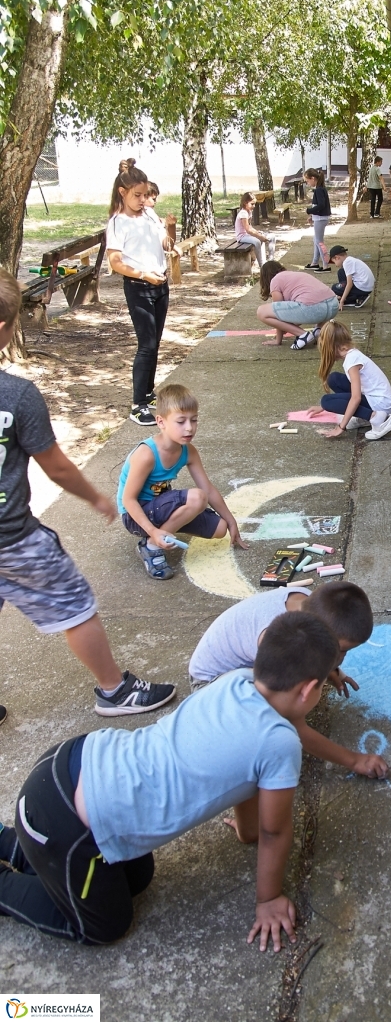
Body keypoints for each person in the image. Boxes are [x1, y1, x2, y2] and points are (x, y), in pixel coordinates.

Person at [0, 613, 382, 948]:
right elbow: (276, 833)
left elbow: (252, 774)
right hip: (68, 822)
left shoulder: (236, 681)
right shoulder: (279, 745)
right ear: (309, 690)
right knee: (105, 925)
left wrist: (246, 831)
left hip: (74, 762)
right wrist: (268, 899)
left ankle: (16, 843)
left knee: (137, 877)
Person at [0, 268, 176, 721]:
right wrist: (97, 498)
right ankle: (114, 691)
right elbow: (55, 466)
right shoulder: (17, 396)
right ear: (4, 329)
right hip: (13, 539)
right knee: (76, 606)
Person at [189, 582, 388, 781]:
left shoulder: (309, 603)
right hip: (209, 687)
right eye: (341, 650)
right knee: (272, 729)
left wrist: (331, 669)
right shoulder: (280, 644)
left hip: (237, 670)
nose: (342, 657)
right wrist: (355, 761)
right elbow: (295, 726)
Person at [118, 383, 248, 580]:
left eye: (194, 420)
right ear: (161, 422)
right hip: (134, 516)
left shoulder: (188, 451)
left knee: (220, 529)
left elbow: (209, 489)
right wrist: (153, 532)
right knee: (197, 498)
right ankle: (151, 546)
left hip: (158, 509)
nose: (189, 428)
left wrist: (231, 520)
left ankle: (163, 532)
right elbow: (128, 500)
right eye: (181, 421)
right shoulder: (147, 454)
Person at [106, 159, 174, 427]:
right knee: (145, 345)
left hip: (160, 285)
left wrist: (170, 228)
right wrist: (144, 274)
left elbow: (166, 243)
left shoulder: (148, 214)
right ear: (123, 193)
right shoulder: (117, 223)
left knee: (155, 343)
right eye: (138, 195)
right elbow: (115, 262)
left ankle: (148, 391)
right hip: (139, 288)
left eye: (146, 195)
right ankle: (138, 405)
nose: (144, 200)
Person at [307, 321, 391, 441]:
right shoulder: (353, 354)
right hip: (378, 399)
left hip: (381, 405)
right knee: (334, 379)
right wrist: (323, 408)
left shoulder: (351, 362)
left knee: (326, 401)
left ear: (330, 347)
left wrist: (341, 427)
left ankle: (376, 418)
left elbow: (356, 398)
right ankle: (364, 417)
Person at [256, 262, 339, 350]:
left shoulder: (275, 280)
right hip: (333, 306)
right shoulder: (296, 274)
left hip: (314, 308)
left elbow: (278, 313)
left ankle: (303, 335)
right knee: (309, 303)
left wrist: (278, 340)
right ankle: (319, 331)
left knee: (261, 311)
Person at [303, 168, 331, 271]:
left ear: (313, 178)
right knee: (316, 240)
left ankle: (325, 265)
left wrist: (309, 211)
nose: (307, 183)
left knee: (319, 241)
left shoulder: (319, 190)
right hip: (319, 218)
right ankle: (315, 262)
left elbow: (321, 205)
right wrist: (312, 215)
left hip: (321, 219)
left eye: (307, 180)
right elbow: (319, 206)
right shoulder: (320, 188)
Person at [235, 193, 270, 268]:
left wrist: (258, 233)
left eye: (255, 204)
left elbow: (250, 226)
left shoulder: (249, 212)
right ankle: (262, 265)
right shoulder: (243, 213)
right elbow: (248, 229)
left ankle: (269, 261)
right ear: (245, 203)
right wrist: (259, 236)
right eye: (252, 204)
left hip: (247, 235)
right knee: (257, 241)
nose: (254, 206)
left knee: (266, 237)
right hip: (242, 236)